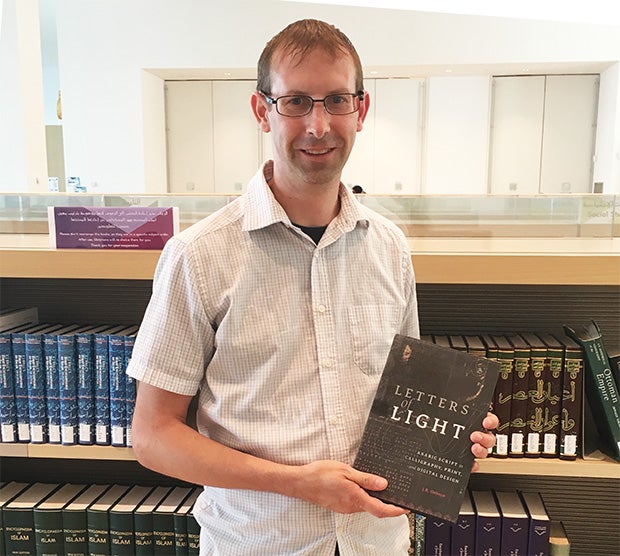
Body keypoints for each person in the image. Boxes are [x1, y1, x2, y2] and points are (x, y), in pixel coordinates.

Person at [127, 19, 497, 556]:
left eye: (336, 100)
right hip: (257, 544)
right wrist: (296, 481)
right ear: (262, 111)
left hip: (377, 544)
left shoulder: (389, 248)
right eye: (296, 101)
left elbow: (408, 397)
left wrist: (451, 432)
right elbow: (154, 436)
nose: (319, 125)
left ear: (361, 110)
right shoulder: (199, 254)